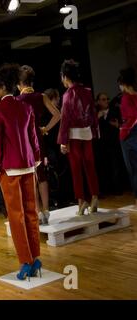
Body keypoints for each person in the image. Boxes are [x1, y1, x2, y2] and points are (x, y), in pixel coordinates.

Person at [0, 63, 42, 281]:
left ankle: (25, 262)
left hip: (9, 169)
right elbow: (34, 139)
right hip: (29, 165)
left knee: (16, 217)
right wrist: (36, 158)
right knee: (31, 213)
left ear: (2, 88)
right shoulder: (25, 107)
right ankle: (36, 258)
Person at [17, 65, 60, 225]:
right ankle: (46, 211)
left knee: (30, 175)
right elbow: (57, 114)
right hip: (38, 138)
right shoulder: (41, 96)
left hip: (24, 141)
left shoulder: (17, 100)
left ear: (19, 83)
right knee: (41, 174)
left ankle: (37, 211)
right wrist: (45, 128)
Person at [57, 60, 99, 215]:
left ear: (65, 76)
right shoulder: (87, 91)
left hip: (73, 134)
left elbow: (65, 119)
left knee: (76, 169)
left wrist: (63, 141)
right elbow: (93, 114)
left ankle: (81, 201)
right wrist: (95, 131)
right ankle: (95, 196)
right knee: (90, 166)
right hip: (87, 132)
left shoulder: (67, 95)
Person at [117, 67, 137, 207]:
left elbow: (132, 116)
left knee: (133, 169)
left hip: (129, 135)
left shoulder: (126, 98)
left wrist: (124, 128)